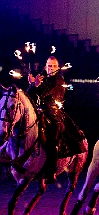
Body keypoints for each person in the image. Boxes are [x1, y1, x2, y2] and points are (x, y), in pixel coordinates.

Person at [27, 56, 86, 184]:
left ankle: (51, 171)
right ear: (45, 67)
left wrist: (35, 85)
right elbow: (28, 96)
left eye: (54, 66)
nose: (51, 68)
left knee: (52, 137)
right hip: (39, 112)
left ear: (58, 68)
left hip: (54, 113)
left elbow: (45, 94)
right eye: (49, 66)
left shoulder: (59, 80)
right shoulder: (41, 78)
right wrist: (32, 86)